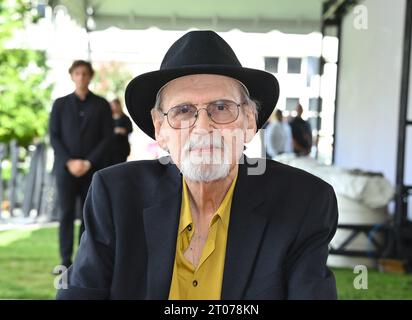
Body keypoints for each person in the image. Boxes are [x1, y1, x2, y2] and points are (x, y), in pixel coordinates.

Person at [57, 31, 338, 300]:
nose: (203, 127)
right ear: (160, 128)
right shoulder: (116, 195)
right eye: (183, 111)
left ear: (250, 123)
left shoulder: (304, 203)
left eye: (221, 108)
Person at [49, 60, 113, 269]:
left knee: (89, 214)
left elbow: (107, 137)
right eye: (77, 73)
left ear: (90, 76)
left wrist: (88, 162)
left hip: (92, 169)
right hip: (65, 169)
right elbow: (54, 136)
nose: (81, 77)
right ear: (71, 76)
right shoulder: (60, 104)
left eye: (85, 74)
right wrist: (69, 161)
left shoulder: (101, 105)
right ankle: (64, 260)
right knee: (66, 213)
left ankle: (83, 259)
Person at [109, 98, 133, 165]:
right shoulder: (108, 118)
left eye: (114, 105)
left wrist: (121, 130)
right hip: (111, 148)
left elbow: (130, 130)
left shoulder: (125, 118)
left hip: (121, 148)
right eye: (111, 106)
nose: (113, 107)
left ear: (118, 105)